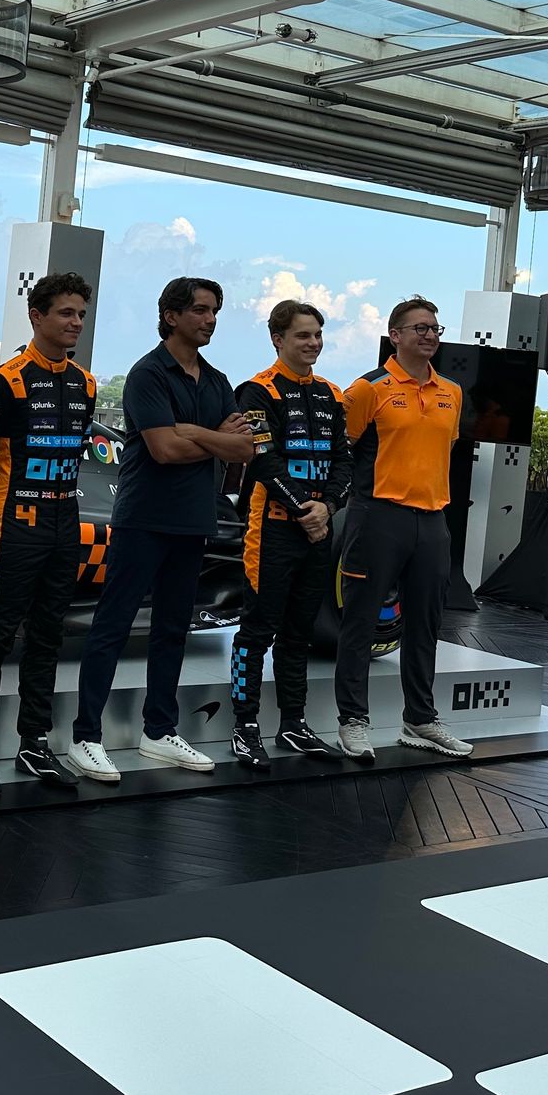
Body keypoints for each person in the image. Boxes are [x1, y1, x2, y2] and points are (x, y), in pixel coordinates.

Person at [65, 277, 257, 782]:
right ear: (171, 316)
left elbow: (245, 449)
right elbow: (164, 450)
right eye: (200, 310)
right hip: (143, 519)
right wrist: (211, 437)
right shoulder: (147, 373)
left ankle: (159, 731)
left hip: (192, 522)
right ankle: (85, 737)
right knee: (112, 627)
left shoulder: (216, 381)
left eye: (214, 311)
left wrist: (193, 431)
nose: (210, 319)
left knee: (173, 630)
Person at [0, 272, 98, 797]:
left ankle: (33, 744)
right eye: (65, 313)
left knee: (48, 636)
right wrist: (2, 504)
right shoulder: (4, 382)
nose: (75, 323)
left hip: (66, 525)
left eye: (80, 314)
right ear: (36, 316)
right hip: (16, 526)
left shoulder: (85, 384)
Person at [333, 296, 471, 763]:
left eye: (435, 328)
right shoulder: (367, 389)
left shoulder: (451, 391)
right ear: (395, 336)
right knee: (360, 622)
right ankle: (353, 720)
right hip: (378, 517)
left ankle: (420, 718)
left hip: (432, 521)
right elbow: (342, 451)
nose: (430, 335)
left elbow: (441, 450)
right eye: (419, 328)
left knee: (425, 625)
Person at [228, 299, 353, 771]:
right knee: (257, 630)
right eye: (303, 335)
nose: (313, 343)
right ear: (278, 339)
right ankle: (244, 726)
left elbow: (344, 460)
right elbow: (263, 460)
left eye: (318, 334)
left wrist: (328, 507)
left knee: (299, 633)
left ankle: (293, 724)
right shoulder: (257, 391)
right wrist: (305, 509)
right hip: (272, 530)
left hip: (318, 530)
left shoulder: (332, 394)